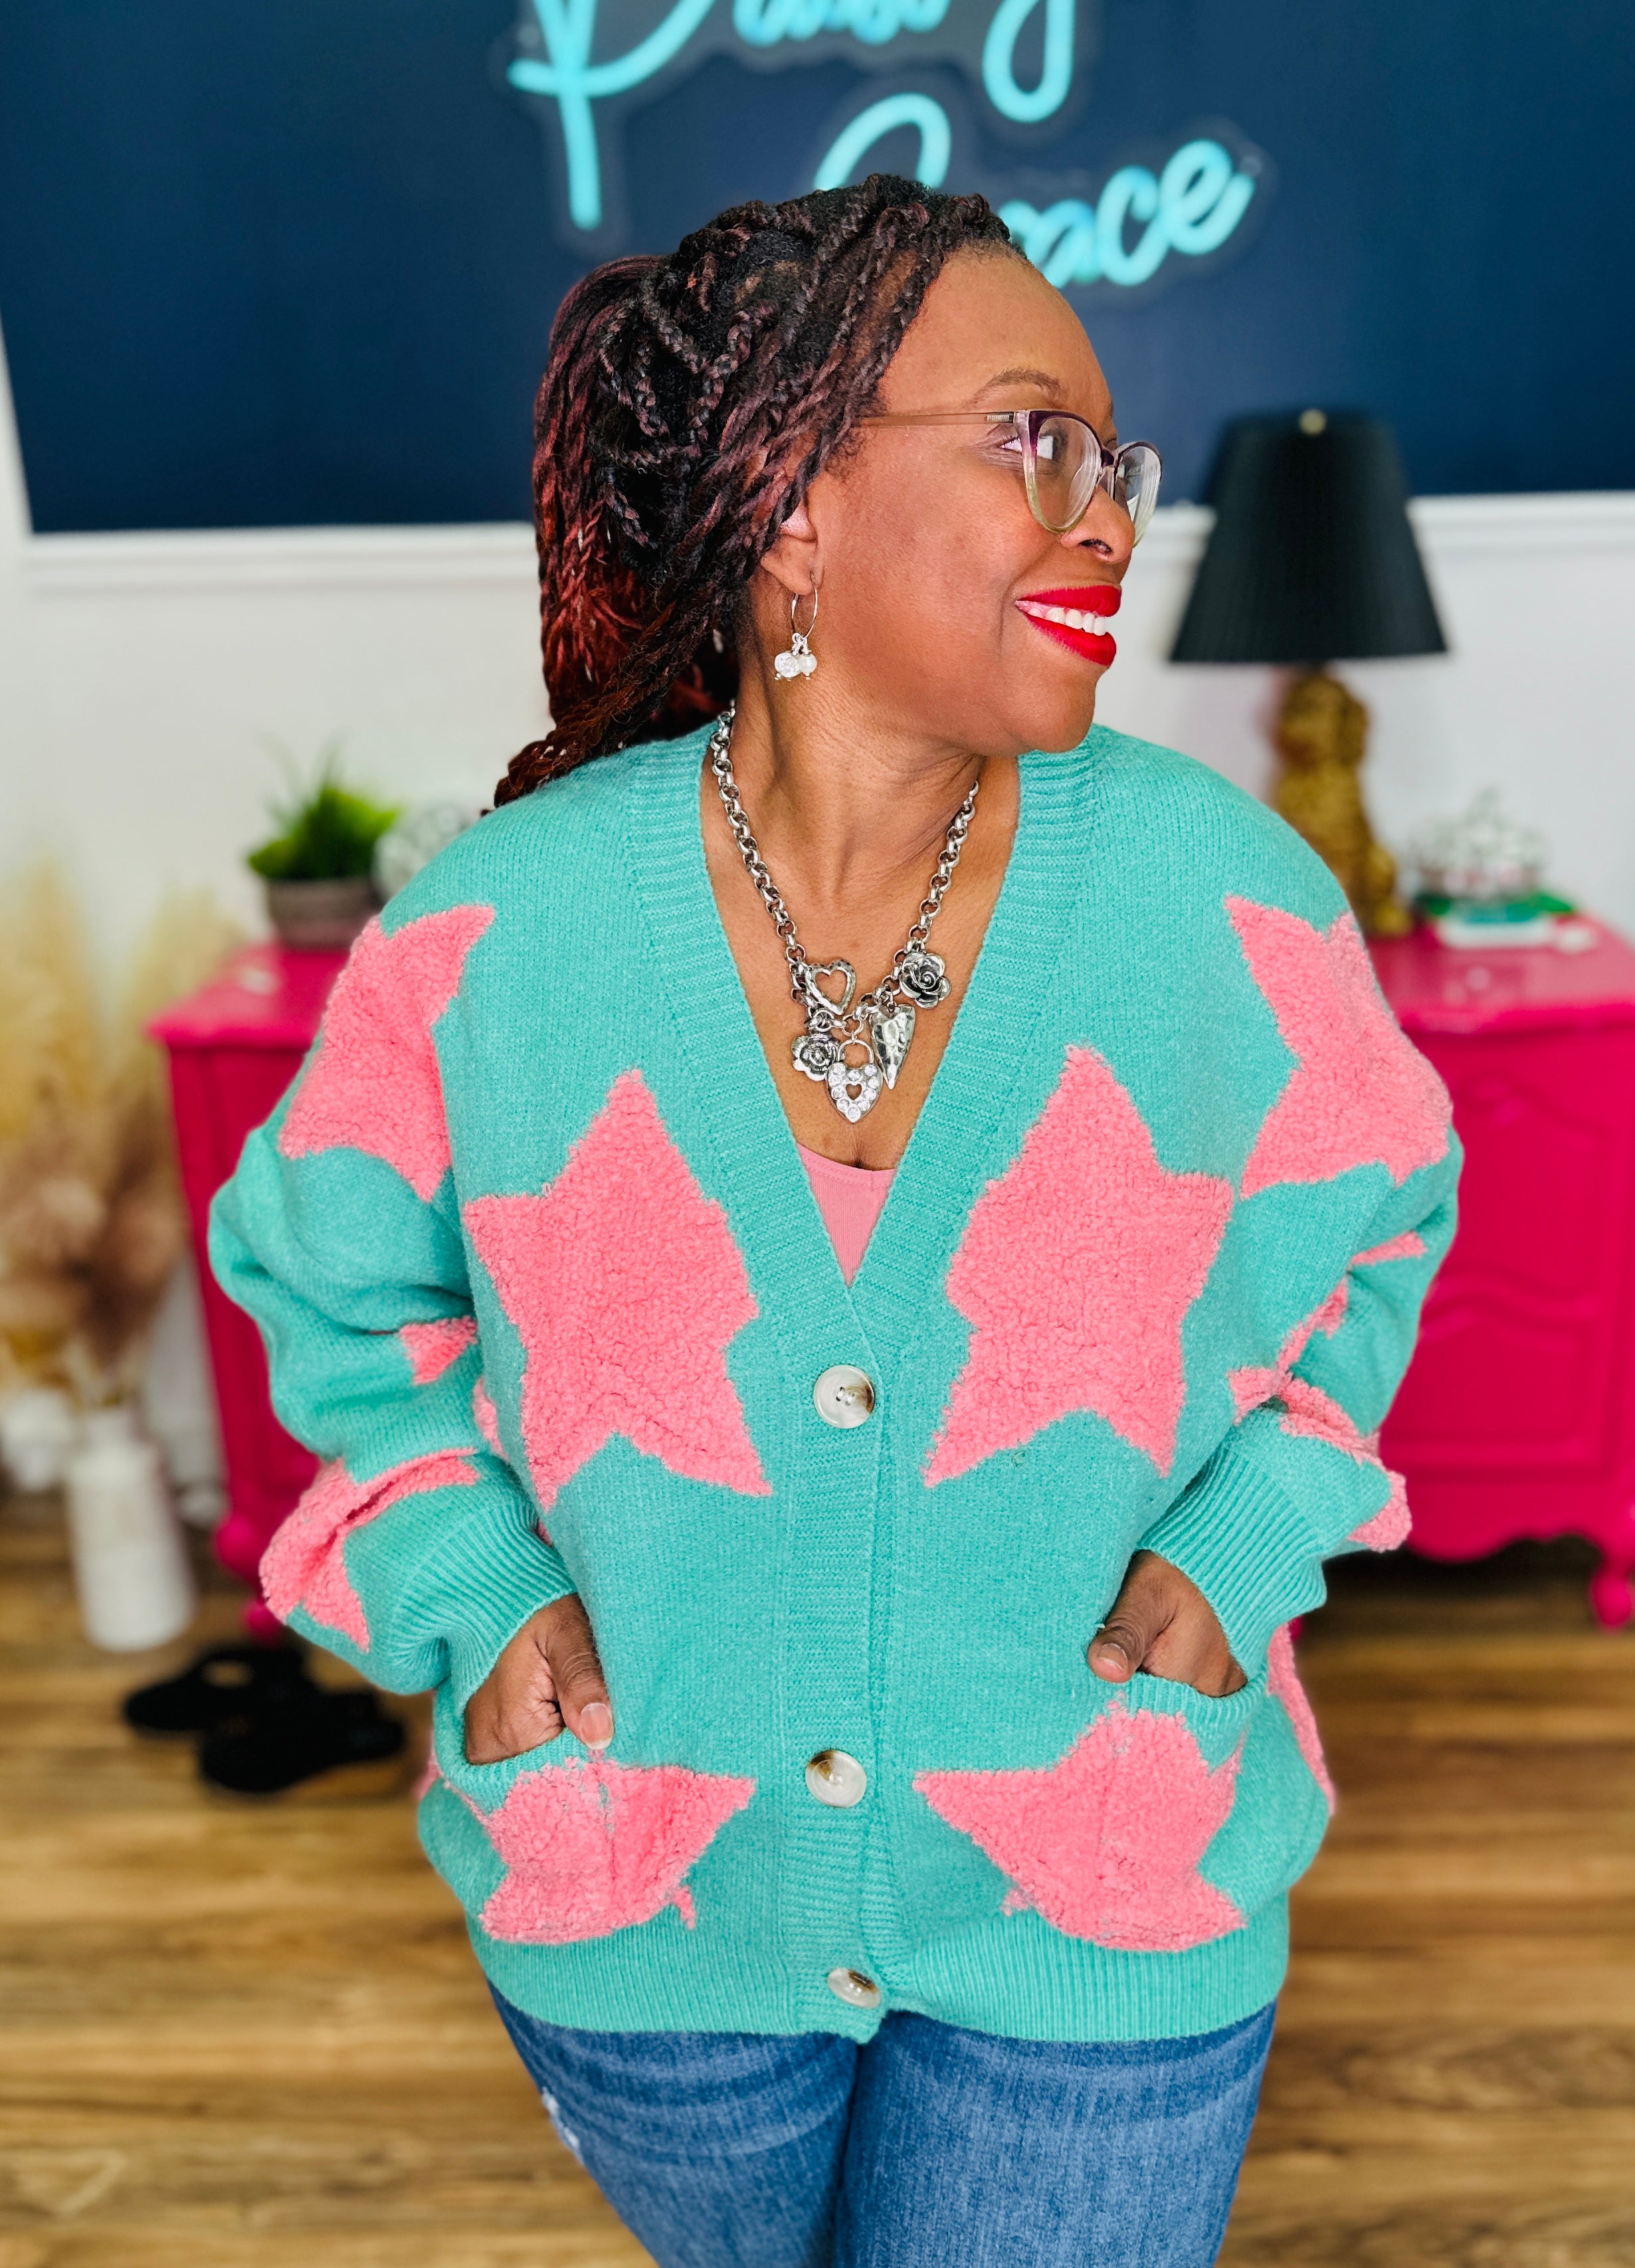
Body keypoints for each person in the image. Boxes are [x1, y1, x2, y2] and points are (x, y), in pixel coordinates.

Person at [211, 177, 1460, 2268]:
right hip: (647, 1908)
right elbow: (328, 1282)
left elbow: (1384, 1221)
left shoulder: (1224, 905)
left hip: (1102, 1892)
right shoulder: (498, 933)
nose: (1108, 517)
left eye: (1116, 463)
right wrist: (465, 1574)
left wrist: (1256, 1524)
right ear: (793, 499)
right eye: (1033, 439)